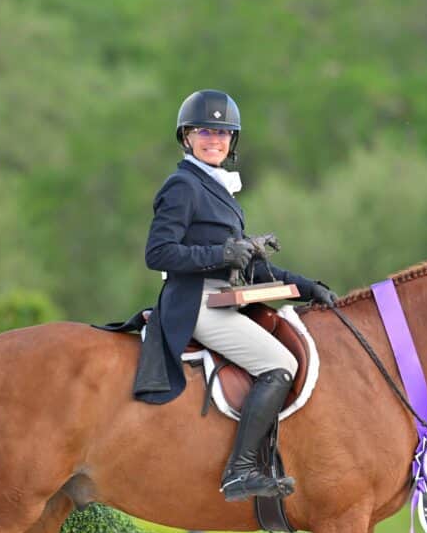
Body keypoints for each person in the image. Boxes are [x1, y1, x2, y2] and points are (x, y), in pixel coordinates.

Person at [142, 89, 336, 502]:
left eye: (224, 133)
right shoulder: (182, 185)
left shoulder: (221, 193)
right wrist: (221, 253)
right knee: (279, 363)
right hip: (193, 301)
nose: (216, 140)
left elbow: (247, 267)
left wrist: (305, 286)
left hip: (222, 297)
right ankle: (240, 471)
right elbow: (157, 252)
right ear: (187, 137)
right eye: (206, 132)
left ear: (232, 142)